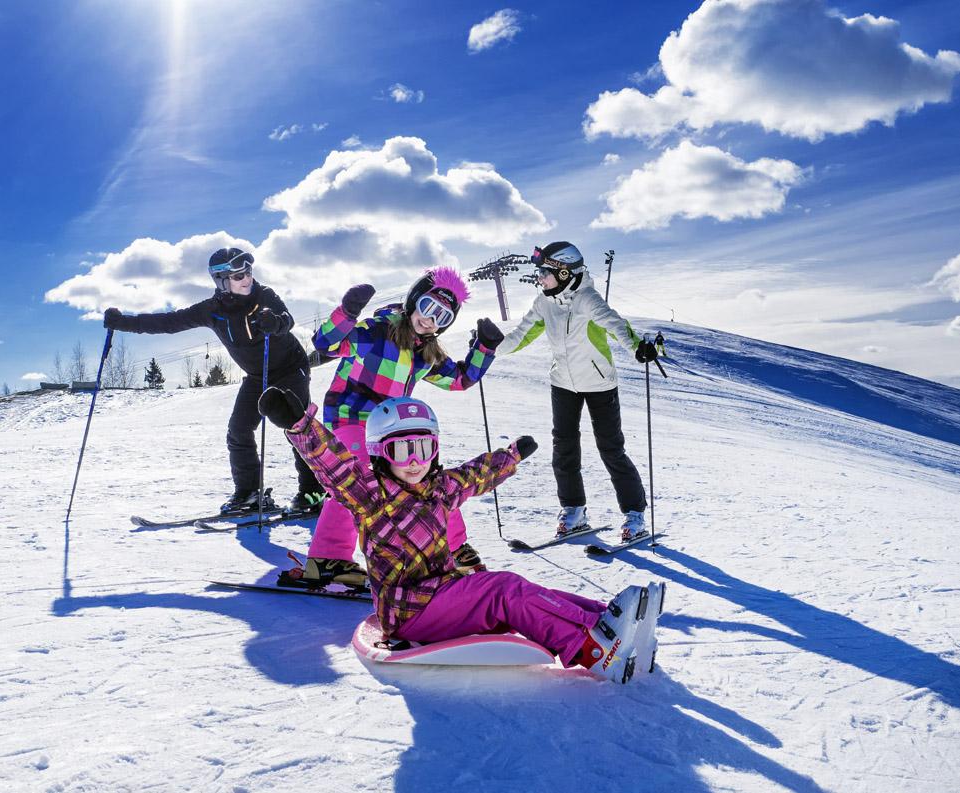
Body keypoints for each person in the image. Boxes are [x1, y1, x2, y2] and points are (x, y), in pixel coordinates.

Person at [258, 388, 662, 681]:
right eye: (402, 451)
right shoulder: (369, 494)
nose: (415, 461)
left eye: (424, 448)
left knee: (515, 587)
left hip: (444, 594)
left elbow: (475, 474)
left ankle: (605, 619)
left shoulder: (439, 487)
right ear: (380, 452)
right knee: (504, 589)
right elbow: (333, 464)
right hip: (409, 611)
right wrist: (300, 424)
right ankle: (591, 651)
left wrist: (512, 455)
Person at [300, 266, 504, 587]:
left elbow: (461, 379)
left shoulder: (426, 351)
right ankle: (329, 560)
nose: (430, 319)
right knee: (360, 476)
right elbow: (327, 343)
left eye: (442, 316)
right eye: (427, 307)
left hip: (390, 427)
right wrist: (348, 312)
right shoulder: (378, 331)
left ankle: (452, 551)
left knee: (422, 476)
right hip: (351, 416)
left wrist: (484, 347)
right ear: (413, 301)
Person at [102, 247, 325, 514]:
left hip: (290, 368)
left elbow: (285, 318)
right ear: (221, 281)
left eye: (248, 272)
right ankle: (250, 493)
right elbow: (169, 322)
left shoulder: (264, 296)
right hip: (257, 377)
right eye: (238, 275)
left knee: (296, 428)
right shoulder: (213, 310)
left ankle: (314, 492)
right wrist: (121, 323)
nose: (246, 278)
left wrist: (275, 323)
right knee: (238, 430)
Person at [497, 241, 658, 541]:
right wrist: (490, 347)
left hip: (599, 384)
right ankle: (574, 510)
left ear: (564, 272)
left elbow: (616, 325)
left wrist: (638, 347)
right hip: (563, 385)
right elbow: (521, 335)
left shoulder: (588, 300)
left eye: (544, 272)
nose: (539, 279)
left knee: (611, 449)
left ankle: (635, 514)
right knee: (564, 448)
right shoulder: (544, 303)